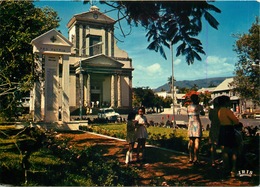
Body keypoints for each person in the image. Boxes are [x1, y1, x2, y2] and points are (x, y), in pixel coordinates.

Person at [217, 95, 240, 177]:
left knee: (224, 150)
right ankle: (233, 169)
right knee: (234, 149)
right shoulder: (228, 111)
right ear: (226, 102)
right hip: (229, 129)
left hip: (222, 129)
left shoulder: (219, 111)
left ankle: (226, 168)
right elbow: (236, 121)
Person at [187, 94, 205, 164]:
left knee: (191, 141)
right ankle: (196, 158)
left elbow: (188, 116)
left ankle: (190, 157)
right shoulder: (199, 106)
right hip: (197, 123)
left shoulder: (188, 107)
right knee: (197, 141)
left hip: (190, 123)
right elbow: (202, 113)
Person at [208, 97, 220, 167]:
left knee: (213, 145)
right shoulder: (221, 111)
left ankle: (213, 160)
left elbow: (210, 118)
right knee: (221, 145)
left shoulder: (211, 111)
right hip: (221, 128)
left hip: (213, 128)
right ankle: (220, 158)